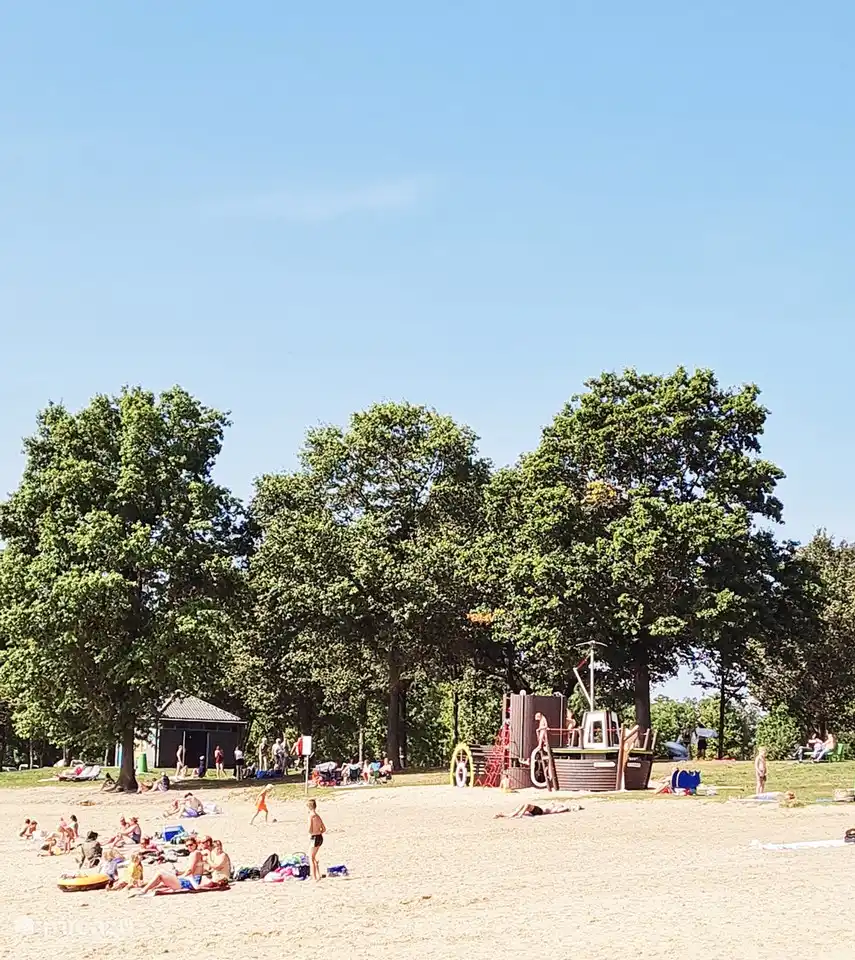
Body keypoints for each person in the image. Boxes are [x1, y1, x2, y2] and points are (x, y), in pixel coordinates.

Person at [134, 837, 205, 896]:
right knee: (161, 876)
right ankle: (145, 888)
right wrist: (179, 873)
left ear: (195, 844)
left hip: (191, 882)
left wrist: (180, 876)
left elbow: (190, 870)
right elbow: (191, 870)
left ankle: (143, 890)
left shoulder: (196, 853)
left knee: (160, 873)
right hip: (191, 880)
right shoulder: (194, 854)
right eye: (187, 846)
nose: (189, 847)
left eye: (191, 845)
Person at [307, 799, 326, 882]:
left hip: (314, 837)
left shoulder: (311, 816)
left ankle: (314, 877)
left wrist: (312, 833)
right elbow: (324, 829)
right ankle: (318, 874)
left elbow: (310, 829)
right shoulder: (318, 816)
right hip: (320, 837)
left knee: (311, 857)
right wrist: (319, 831)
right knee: (314, 856)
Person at [494, 801, 581, 819]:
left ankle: (519, 815)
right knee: (522, 806)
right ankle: (503, 815)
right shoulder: (554, 804)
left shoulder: (555, 809)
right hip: (538, 810)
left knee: (526, 805)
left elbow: (566, 809)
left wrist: (573, 808)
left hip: (540, 811)